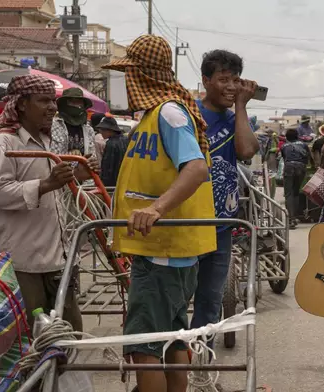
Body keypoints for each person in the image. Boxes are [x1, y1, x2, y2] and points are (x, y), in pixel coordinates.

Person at [103, 35, 217, 392]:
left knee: (145, 346)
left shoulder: (168, 112)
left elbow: (196, 168)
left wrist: (155, 208)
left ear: (142, 74)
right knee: (172, 338)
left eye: (129, 73)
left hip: (162, 251)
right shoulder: (156, 114)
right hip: (164, 250)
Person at [0, 75, 83, 331]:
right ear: (22, 104)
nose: (52, 107)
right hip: (23, 264)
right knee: (30, 339)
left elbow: (56, 196)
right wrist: (47, 183)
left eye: (53, 100)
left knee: (69, 334)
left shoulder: (46, 142)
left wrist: (79, 174)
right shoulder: (1, 144)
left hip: (57, 259)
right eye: (44, 100)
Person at [195, 49, 259, 348]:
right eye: (223, 80)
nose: (231, 87)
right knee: (179, 299)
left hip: (221, 225)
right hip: (187, 222)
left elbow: (246, 152)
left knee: (210, 301)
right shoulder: (189, 115)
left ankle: (201, 367)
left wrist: (241, 107)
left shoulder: (237, 119)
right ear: (206, 81)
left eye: (235, 80)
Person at [51, 87, 97, 159]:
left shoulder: (88, 130)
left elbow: (92, 155)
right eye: (72, 102)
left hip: (82, 169)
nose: (76, 105)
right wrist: (70, 155)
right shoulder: (53, 125)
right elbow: (51, 155)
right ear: (64, 104)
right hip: (62, 169)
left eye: (79, 102)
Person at [280, 128, 310, 228]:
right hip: (301, 168)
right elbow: (307, 157)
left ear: (287, 137)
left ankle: (291, 219)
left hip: (288, 168)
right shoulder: (303, 145)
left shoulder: (283, 146)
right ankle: (296, 216)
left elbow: (285, 159)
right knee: (296, 192)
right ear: (297, 136)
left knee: (288, 194)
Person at [96, 116, 128, 187]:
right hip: (124, 181)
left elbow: (107, 167)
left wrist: (102, 184)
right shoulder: (126, 140)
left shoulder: (111, 144)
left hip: (112, 184)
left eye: (102, 130)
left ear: (110, 130)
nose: (100, 132)